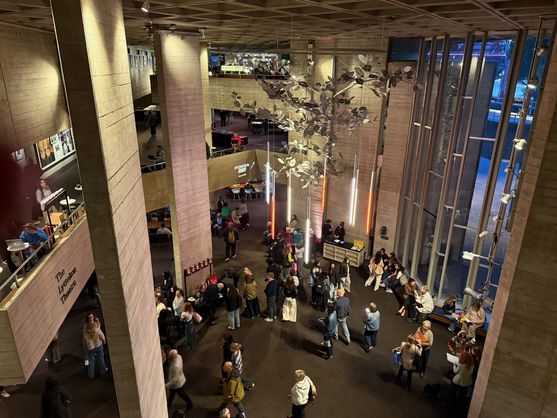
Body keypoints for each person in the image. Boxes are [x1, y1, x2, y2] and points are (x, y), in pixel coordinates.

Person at [83, 313, 108, 379]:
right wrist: (104, 340)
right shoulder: (96, 327)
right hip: (98, 345)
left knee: (91, 361)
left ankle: (91, 375)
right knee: (101, 358)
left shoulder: (85, 328)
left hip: (90, 347)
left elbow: (84, 338)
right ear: (92, 318)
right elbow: (101, 334)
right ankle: (103, 371)